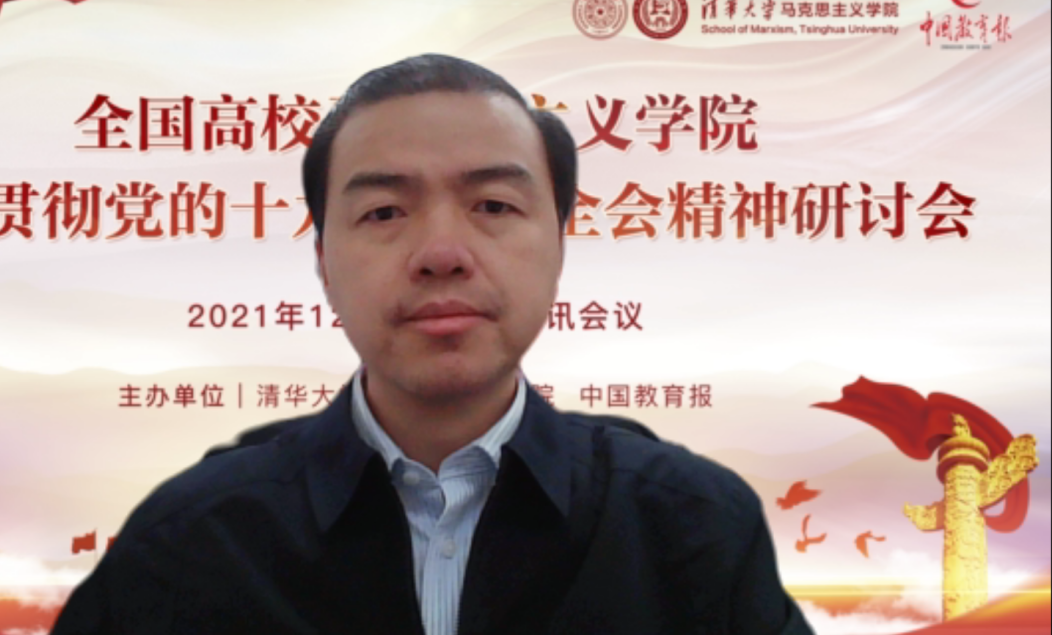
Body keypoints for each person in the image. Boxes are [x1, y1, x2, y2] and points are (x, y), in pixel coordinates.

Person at [50, 54, 813, 635]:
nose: (441, 253)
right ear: (322, 260)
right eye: (384, 212)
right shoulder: (191, 540)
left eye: (493, 205)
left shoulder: (692, 527)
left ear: (559, 242)